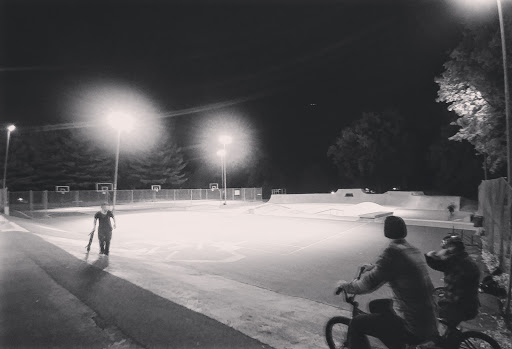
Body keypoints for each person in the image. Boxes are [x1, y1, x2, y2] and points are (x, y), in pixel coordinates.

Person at [336, 216, 438, 349]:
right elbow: (394, 267)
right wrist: (374, 267)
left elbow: (368, 284)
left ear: (386, 231)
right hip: (429, 318)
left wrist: (346, 286)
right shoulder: (412, 250)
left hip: (413, 324)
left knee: (357, 323)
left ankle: (402, 343)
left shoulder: (393, 252)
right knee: (376, 306)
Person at [425, 234, 480, 327]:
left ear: (452, 247)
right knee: (450, 325)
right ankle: (454, 335)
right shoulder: (467, 259)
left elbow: (435, 263)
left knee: (429, 312)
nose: (446, 251)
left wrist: (431, 254)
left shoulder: (454, 261)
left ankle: (451, 338)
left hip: (458, 307)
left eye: (447, 248)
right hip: (471, 305)